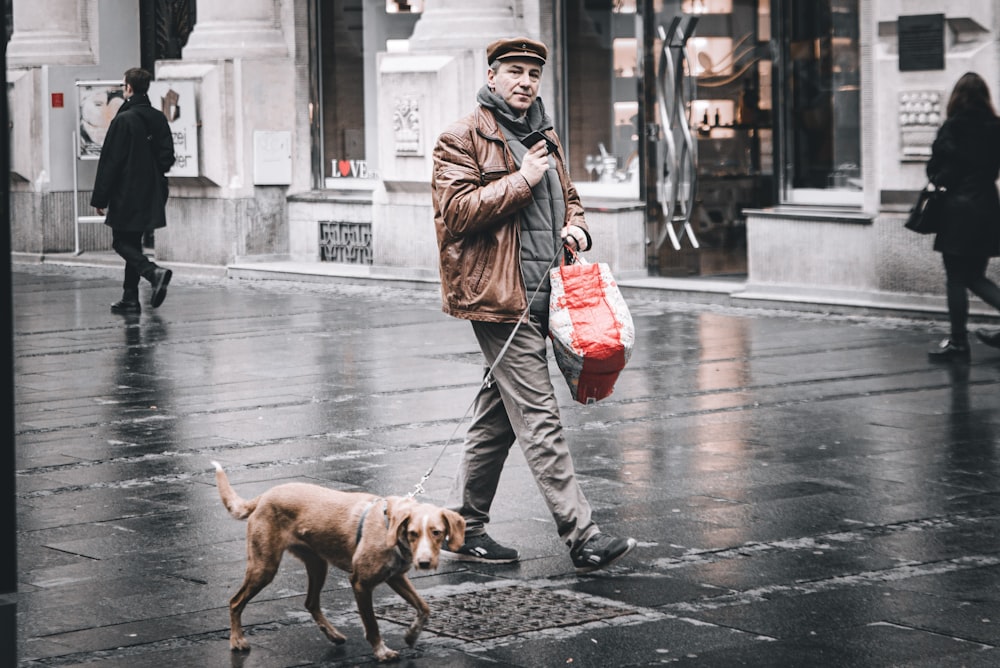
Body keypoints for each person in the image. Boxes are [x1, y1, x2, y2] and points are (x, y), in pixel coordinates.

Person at [431, 36, 636, 574]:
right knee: (539, 416)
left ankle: (464, 525)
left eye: (533, 74)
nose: (526, 81)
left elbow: (570, 198)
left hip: (551, 294)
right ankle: (582, 536)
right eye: (515, 71)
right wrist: (522, 181)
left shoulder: (544, 136)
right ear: (493, 76)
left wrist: (578, 229)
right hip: (501, 300)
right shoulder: (462, 137)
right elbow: (455, 212)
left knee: (496, 417)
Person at [925, 72, 1000, 361]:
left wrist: (939, 176)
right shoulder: (995, 127)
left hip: (958, 209)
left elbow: (941, 170)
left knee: (956, 277)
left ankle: (958, 343)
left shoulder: (953, 127)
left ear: (957, 97)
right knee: (975, 275)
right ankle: (958, 342)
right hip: (986, 204)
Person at [91, 67, 176, 315]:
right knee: (132, 242)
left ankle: (153, 273)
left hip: (127, 191)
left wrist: (100, 198)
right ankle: (130, 298)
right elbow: (167, 158)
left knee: (120, 242)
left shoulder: (123, 119)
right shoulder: (158, 117)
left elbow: (110, 162)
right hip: (152, 190)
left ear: (128, 88)